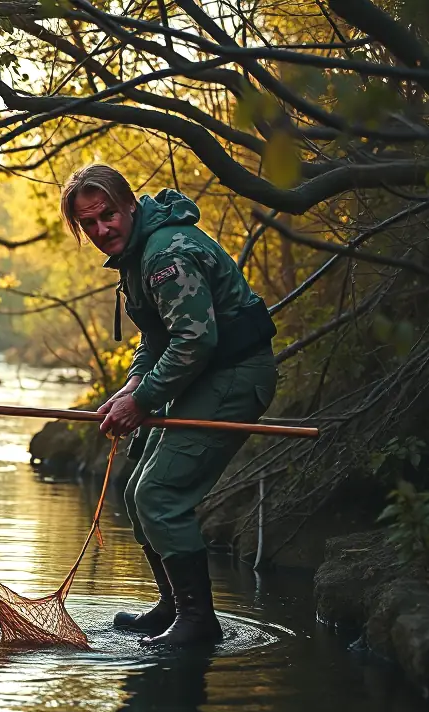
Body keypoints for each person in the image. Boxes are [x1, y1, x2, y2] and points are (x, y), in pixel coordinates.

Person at [59, 163, 278, 647]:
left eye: (108, 216)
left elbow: (194, 341)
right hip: (202, 375)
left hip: (235, 377)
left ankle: (199, 623)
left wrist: (144, 400)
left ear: (130, 205)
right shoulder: (139, 253)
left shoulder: (167, 255)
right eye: (89, 224)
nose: (101, 230)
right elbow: (157, 337)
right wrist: (134, 382)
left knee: (159, 495)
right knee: (139, 488)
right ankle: (174, 607)